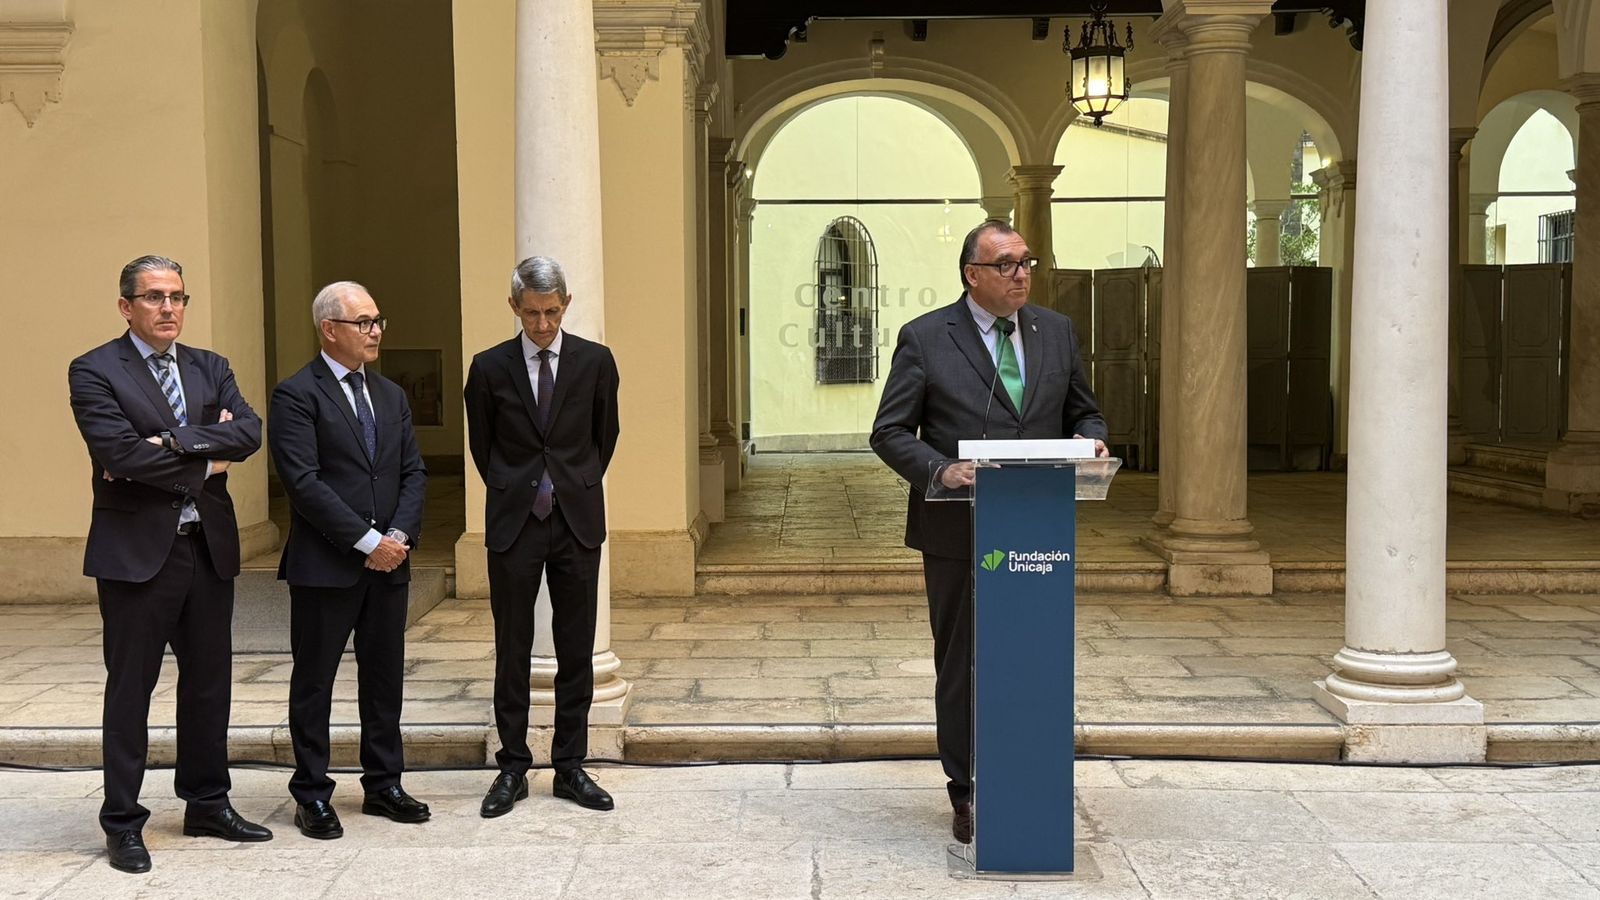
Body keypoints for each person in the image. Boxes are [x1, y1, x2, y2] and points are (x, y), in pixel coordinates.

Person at [869, 220, 1108, 845]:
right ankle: (966, 788)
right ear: (972, 275)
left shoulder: (1055, 331)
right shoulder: (925, 338)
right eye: (1006, 264)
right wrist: (941, 468)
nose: (1022, 273)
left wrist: (1091, 436)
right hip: (958, 530)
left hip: (1039, 526)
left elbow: (1083, 407)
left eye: (1027, 261)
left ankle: (1029, 777)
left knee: (1035, 655)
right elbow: (889, 431)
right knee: (965, 663)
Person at [68, 255, 274, 873]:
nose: (169, 308)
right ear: (126, 306)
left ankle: (208, 803)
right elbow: (118, 453)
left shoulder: (212, 366)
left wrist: (173, 442)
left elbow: (251, 433)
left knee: (209, 682)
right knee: (131, 687)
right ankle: (123, 823)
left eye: (178, 297)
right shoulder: (95, 369)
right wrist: (208, 454)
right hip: (136, 556)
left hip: (205, 547)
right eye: (154, 297)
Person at [268, 281, 429, 839]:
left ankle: (384, 784)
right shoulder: (296, 395)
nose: (377, 330)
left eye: (378, 320)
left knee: (384, 679)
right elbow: (304, 483)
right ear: (329, 329)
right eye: (364, 322)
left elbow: (412, 472)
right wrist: (368, 542)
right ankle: (311, 792)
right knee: (315, 681)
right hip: (327, 566)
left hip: (392, 563)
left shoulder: (391, 395)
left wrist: (400, 536)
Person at [464, 256, 620, 816]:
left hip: (576, 520)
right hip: (515, 522)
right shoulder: (488, 368)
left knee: (576, 645)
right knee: (513, 646)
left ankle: (570, 766)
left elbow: (605, 436)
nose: (543, 325)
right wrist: (518, 488)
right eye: (531, 314)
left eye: (552, 312)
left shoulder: (596, 362)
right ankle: (511, 766)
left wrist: (572, 484)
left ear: (566, 305)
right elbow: (484, 447)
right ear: (514, 307)